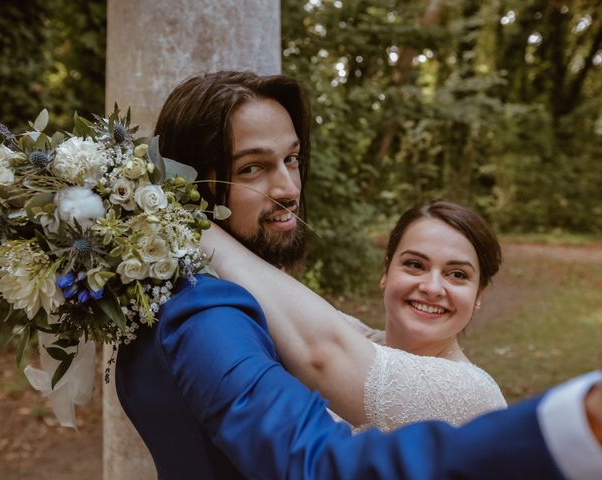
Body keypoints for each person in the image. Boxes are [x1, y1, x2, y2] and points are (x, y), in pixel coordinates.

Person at [115, 71, 602, 479]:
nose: (288, 188)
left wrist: (184, 227)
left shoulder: (161, 292)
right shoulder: (208, 311)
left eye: (292, 159)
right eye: (252, 169)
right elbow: (320, 450)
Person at [200, 201, 507, 431]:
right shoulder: (365, 341)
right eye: (415, 265)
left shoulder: (473, 393)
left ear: (478, 295)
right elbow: (282, 300)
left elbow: (320, 352)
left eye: (457, 274)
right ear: (386, 272)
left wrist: (185, 223)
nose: (432, 287)